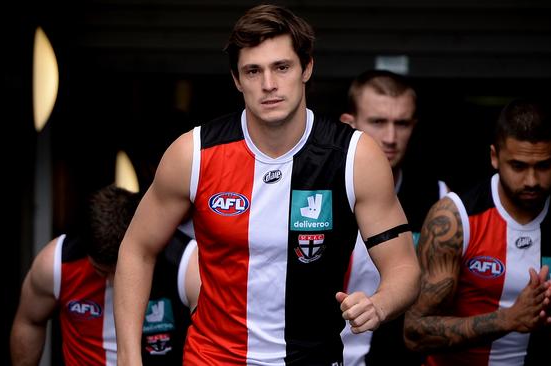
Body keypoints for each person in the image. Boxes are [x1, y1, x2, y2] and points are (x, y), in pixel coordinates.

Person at [113, 4, 420, 365]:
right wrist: (128, 356)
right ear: (236, 79)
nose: (269, 85)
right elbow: (137, 249)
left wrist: (379, 304)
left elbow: (404, 268)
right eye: (253, 71)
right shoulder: (193, 154)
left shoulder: (354, 156)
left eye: (282, 67)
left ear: (307, 68)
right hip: (212, 358)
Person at [403, 99, 551, 365]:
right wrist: (508, 319)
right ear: (494, 157)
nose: (532, 180)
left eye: (543, 166)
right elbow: (415, 332)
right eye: (519, 166)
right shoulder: (455, 218)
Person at [10, 185, 199, 366]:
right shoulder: (57, 263)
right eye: (100, 270)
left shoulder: (185, 264)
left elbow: (215, 340)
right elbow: (30, 322)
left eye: (120, 270)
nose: (113, 281)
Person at [339, 69, 447, 366]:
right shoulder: (313, 191)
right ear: (349, 124)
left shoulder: (437, 198)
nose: (390, 138)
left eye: (401, 124)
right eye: (378, 122)